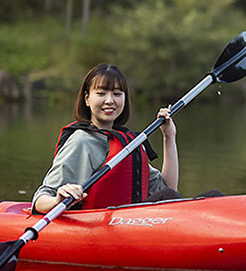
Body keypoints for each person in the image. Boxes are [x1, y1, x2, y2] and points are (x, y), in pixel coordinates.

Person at [32, 64, 181, 213]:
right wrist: (58, 199)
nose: (110, 100)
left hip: (131, 223)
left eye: (117, 94)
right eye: (101, 93)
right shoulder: (81, 141)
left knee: (174, 195)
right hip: (96, 225)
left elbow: (168, 192)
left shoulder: (128, 143)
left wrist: (169, 137)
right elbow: (40, 200)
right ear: (87, 99)